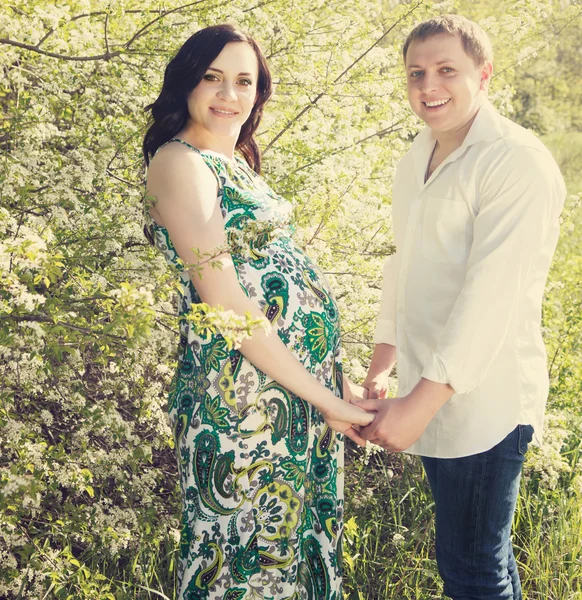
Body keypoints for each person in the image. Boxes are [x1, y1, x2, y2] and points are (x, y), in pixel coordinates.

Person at [142, 24, 372, 600]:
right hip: (241, 404)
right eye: (212, 77)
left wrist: (331, 382)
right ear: (186, 84)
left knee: (295, 555)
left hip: (293, 394)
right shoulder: (180, 163)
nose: (229, 95)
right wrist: (328, 400)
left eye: (244, 81)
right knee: (246, 564)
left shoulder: (233, 164)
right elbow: (227, 304)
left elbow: (282, 283)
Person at [353, 14, 566, 600]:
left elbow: (490, 295)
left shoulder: (514, 161)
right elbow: (405, 266)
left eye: (447, 70)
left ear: (484, 74)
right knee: (482, 561)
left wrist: (419, 405)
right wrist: (381, 365)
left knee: (470, 568)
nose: (429, 86)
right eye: (416, 73)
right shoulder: (415, 158)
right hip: (427, 384)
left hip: (486, 401)